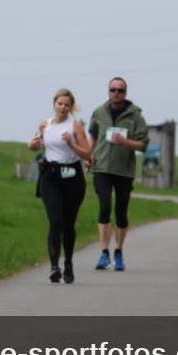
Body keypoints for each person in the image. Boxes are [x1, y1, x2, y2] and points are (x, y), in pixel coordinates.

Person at [28, 89, 92, 284]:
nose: (63, 107)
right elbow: (35, 145)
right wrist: (33, 144)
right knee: (55, 221)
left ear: (70, 107)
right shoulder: (44, 124)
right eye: (60, 104)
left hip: (72, 177)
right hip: (50, 176)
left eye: (67, 105)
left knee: (68, 224)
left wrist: (71, 144)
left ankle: (69, 263)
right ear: (54, 103)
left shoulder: (76, 126)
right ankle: (55, 266)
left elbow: (87, 154)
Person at [88, 77, 149, 272]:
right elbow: (94, 136)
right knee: (104, 208)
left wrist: (125, 142)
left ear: (125, 93)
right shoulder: (99, 112)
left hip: (124, 170)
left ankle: (119, 251)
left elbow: (143, 144)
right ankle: (104, 252)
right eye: (113, 90)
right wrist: (89, 155)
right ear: (108, 91)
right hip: (102, 168)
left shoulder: (135, 115)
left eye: (120, 90)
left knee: (121, 213)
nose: (116, 93)